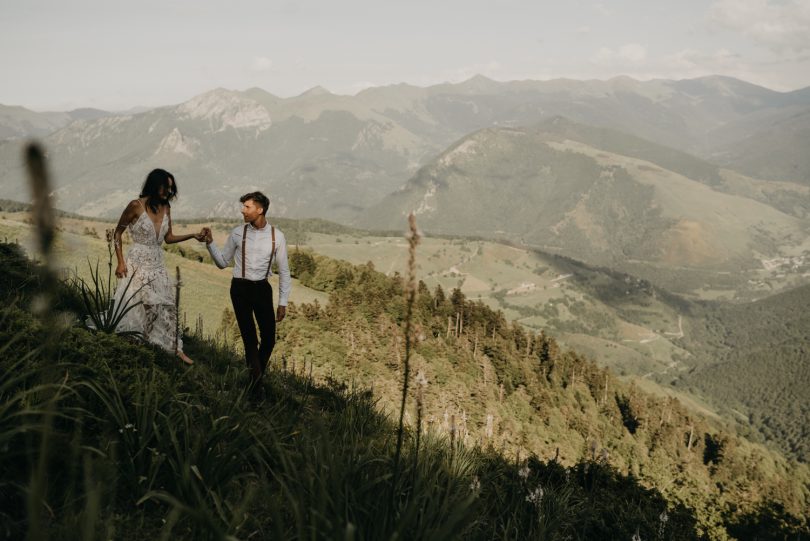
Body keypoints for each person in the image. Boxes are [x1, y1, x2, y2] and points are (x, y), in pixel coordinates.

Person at [112, 168, 207, 365]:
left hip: (157, 263)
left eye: (171, 189)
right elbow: (117, 234)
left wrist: (193, 235)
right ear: (155, 185)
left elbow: (168, 238)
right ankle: (142, 343)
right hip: (137, 262)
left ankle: (174, 348)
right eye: (165, 187)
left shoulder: (166, 208)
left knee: (168, 305)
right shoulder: (135, 206)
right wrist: (120, 261)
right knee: (146, 305)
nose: (168, 192)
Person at [203, 191, 290, 392]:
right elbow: (223, 262)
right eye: (243, 207)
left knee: (269, 339)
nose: (243, 211)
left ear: (260, 210)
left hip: (262, 289)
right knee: (249, 338)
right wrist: (209, 243)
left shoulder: (278, 236)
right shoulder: (237, 233)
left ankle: (254, 377)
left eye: (247, 207)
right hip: (240, 288)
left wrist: (283, 302)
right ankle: (256, 386)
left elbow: (284, 271)